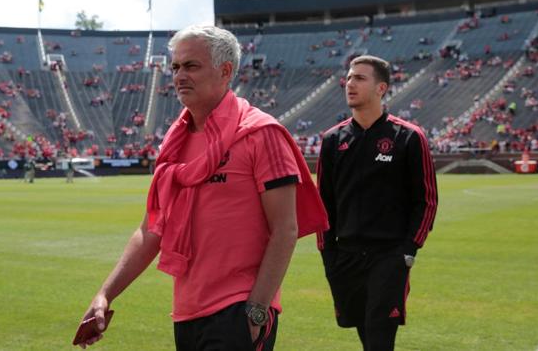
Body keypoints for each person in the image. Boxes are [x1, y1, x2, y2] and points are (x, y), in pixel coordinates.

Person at [76, 25, 328, 350]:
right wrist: (104, 294)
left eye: (191, 66)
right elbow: (151, 230)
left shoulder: (262, 133)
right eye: (176, 67)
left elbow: (285, 229)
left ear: (225, 71)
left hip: (239, 308)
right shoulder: (174, 143)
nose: (180, 75)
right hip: (186, 312)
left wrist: (257, 310)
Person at [317, 55, 438, 351]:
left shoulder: (408, 137)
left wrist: (408, 251)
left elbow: (427, 200)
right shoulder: (333, 140)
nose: (350, 83)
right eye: (348, 77)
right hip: (345, 256)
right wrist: (328, 253)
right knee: (366, 337)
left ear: (381, 88)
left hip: (389, 256)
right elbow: (322, 202)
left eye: (359, 78)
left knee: (379, 338)